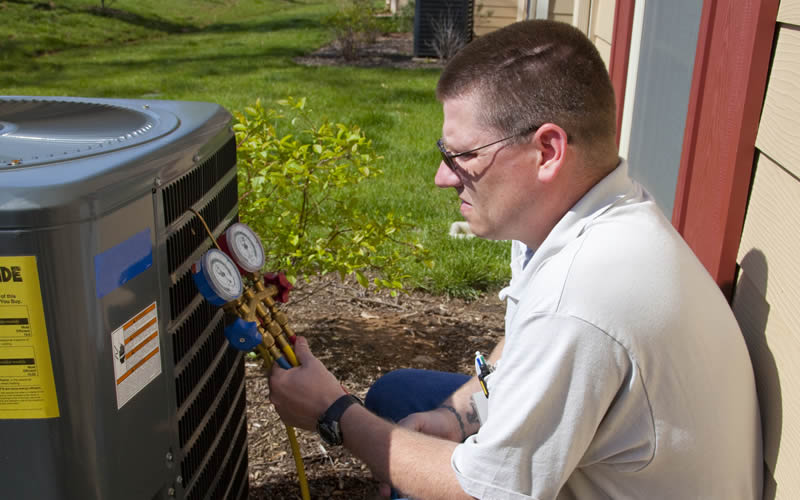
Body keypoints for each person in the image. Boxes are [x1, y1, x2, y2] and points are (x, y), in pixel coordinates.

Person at [268, 19, 763, 499]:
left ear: (547, 150)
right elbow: (526, 335)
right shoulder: (590, 216)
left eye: (462, 155)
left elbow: (480, 491)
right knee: (399, 397)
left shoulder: (581, 297)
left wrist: (332, 413)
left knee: (384, 433)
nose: (443, 178)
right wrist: (456, 418)